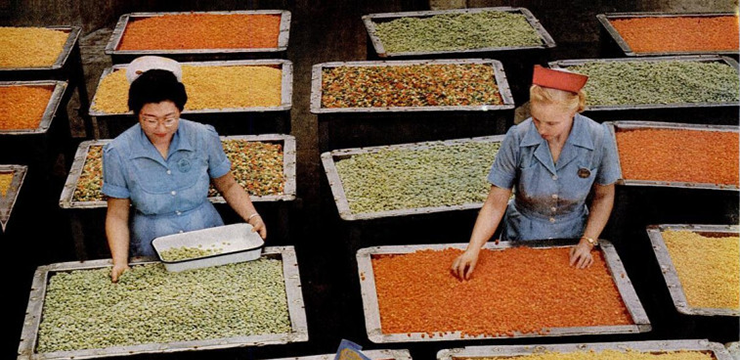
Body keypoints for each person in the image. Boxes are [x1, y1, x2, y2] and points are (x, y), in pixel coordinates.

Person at [102, 56, 266, 282]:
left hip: (208, 235)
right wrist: (120, 262)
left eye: (169, 119)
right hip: (152, 245)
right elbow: (118, 214)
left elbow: (228, 185)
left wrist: (252, 215)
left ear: (180, 110)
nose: (161, 128)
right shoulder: (118, 152)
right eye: (150, 120)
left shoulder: (202, 136)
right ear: (136, 114)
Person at [451, 65, 620, 280]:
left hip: (572, 240)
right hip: (521, 235)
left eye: (552, 123)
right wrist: (473, 249)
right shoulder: (518, 137)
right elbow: (496, 201)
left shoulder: (599, 137)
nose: (541, 130)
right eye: (536, 119)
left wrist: (587, 242)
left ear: (574, 111)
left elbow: (604, 196)